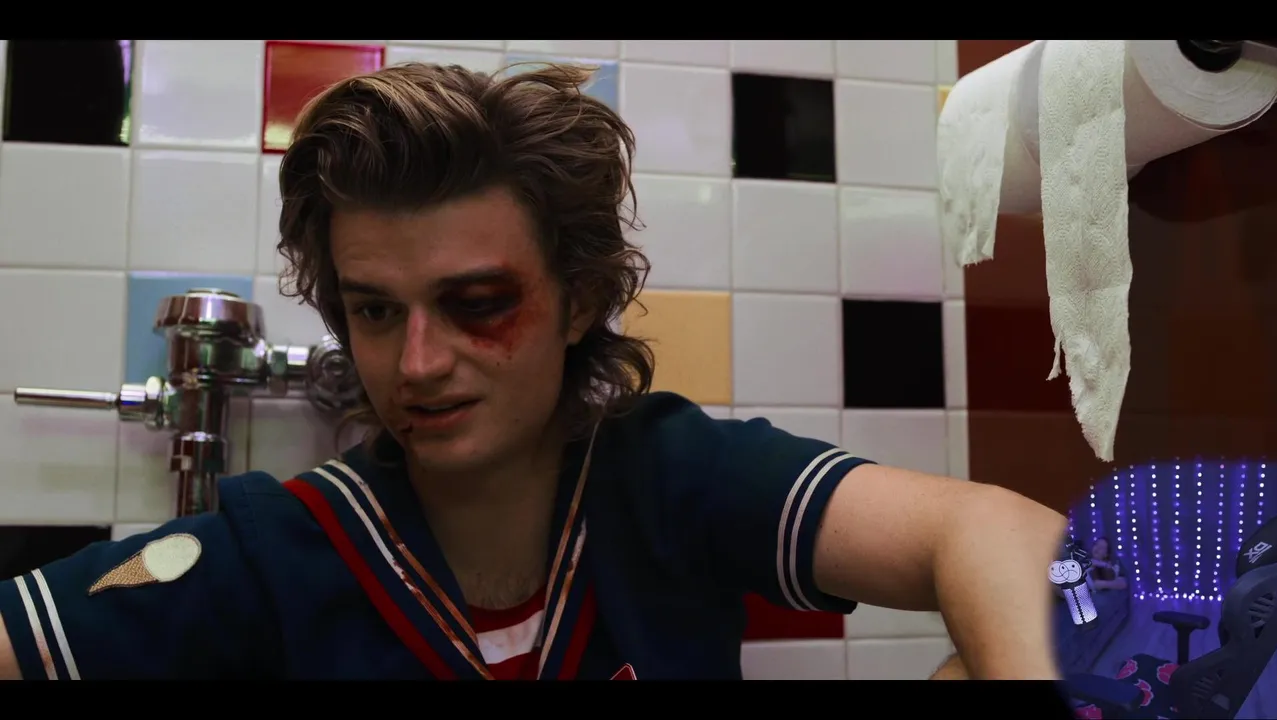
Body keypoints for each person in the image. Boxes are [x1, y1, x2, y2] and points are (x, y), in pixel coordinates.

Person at [0, 62, 1067, 681]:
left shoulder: (669, 480)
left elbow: (1000, 534)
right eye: (375, 312)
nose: (418, 365)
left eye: (477, 304)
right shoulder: (285, 549)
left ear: (581, 297)